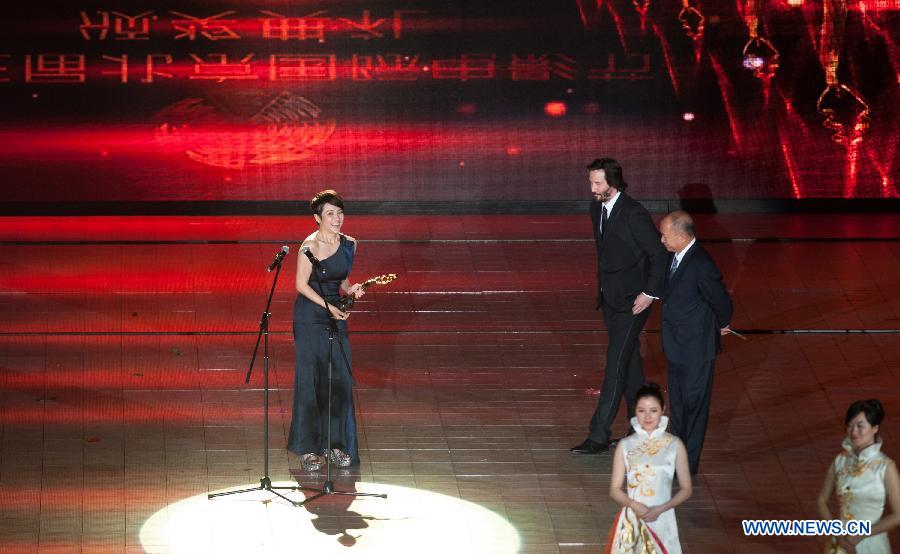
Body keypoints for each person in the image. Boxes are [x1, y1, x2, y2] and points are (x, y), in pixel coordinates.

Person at [572, 158, 668, 455]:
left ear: (613, 182)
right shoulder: (596, 208)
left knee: (614, 366)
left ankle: (598, 434)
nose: (592, 189)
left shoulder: (634, 214)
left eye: (598, 183)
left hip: (632, 303)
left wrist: (649, 293)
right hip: (611, 299)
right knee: (630, 364)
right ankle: (641, 427)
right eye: (591, 182)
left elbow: (660, 255)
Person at [287, 190, 365, 472]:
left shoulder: (349, 244)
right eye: (330, 213)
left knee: (340, 380)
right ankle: (308, 449)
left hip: (336, 316)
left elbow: (341, 279)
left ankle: (336, 444)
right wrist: (328, 307)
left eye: (340, 212)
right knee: (312, 380)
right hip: (310, 318)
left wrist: (351, 290)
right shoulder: (310, 246)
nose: (337, 218)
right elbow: (301, 284)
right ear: (317, 217)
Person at [658, 210, 733, 475]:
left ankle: (688, 465)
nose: (662, 240)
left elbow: (720, 300)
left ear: (680, 235)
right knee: (678, 406)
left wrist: (721, 323)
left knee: (695, 406)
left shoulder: (701, 263)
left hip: (697, 348)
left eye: (665, 236)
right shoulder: (676, 257)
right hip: (677, 346)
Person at [606, 382, 692, 554]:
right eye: (641, 410)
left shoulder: (674, 445)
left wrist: (661, 509)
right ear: (634, 411)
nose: (647, 416)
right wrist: (633, 505)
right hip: (632, 521)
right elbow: (614, 489)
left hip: (663, 520)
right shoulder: (625, 445)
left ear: (663, 410)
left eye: (653, 410)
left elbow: (686, 489)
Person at [817, 399, 900, 553]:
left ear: (875, 428)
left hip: (872, 543)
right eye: (850, 426)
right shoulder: (840, 461)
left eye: (860, 426)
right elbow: (821, 500)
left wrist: (861, 535)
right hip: (840, 544)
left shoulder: (886, 467)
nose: (854, 432)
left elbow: (898, 515)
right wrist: (835, 531)